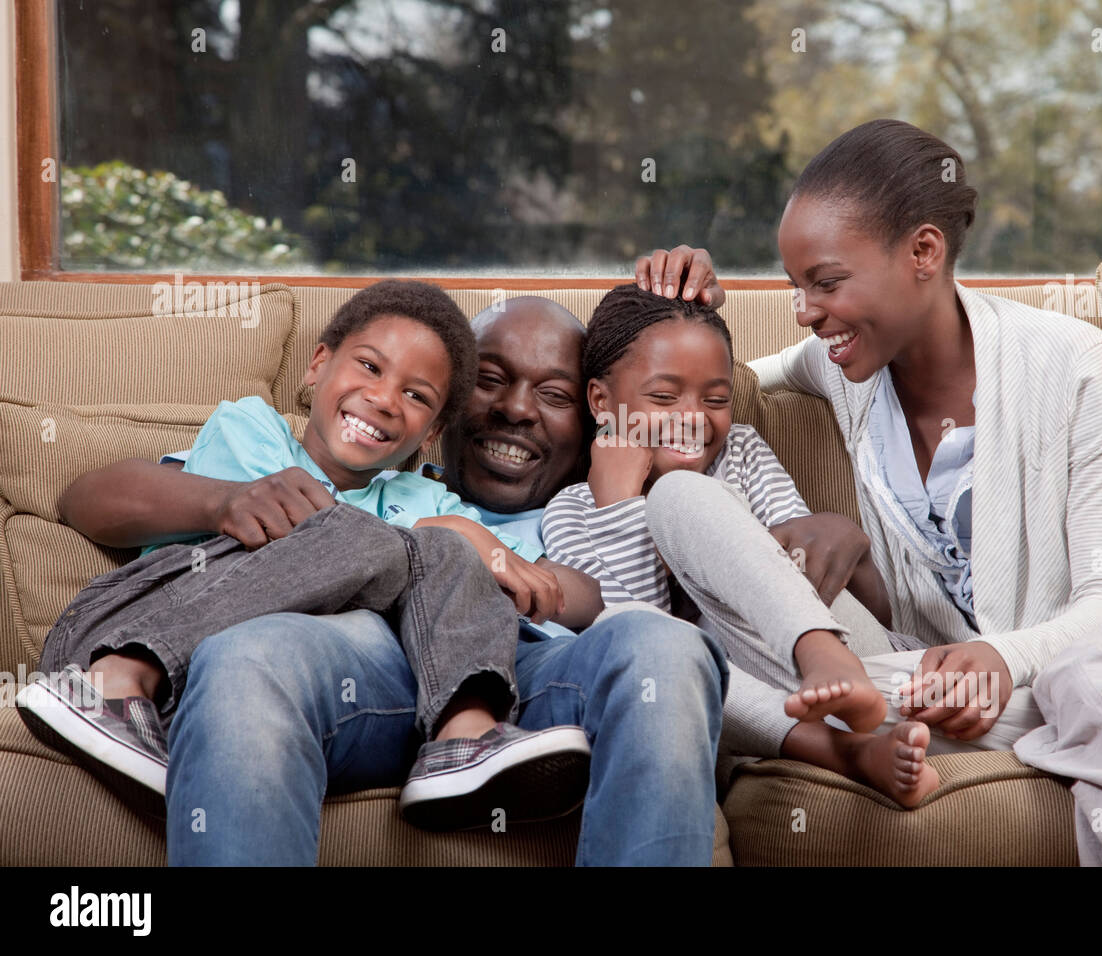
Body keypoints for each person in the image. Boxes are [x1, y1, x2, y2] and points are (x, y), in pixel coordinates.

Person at [635, 119, 1102, 865]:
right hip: (995, 671)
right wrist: (687, 305)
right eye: (796, 287)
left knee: (1099, 676)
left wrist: (998, 658)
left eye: (826, 281)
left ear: (924, 251)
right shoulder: (842, 364)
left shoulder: (1073, 362)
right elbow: (723, 392)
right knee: (724, 651)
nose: (806, 310)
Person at [51, 289, 729, 866]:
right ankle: (118, 677)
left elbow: (589, 593)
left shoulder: (565, 502)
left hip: (507, 680)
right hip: (320, 669)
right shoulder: (265, 449)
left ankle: (466, 735)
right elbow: (93, 498)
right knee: (263, 642)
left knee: (665, 645)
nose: (518, 409)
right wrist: (222, 502)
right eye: (490, 379)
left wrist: (501, 554)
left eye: (552, 394)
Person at [541, 284, 955, 794]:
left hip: (864, 668)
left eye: (716, 399)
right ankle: (850, 751)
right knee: (673, 658)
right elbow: (644, 656)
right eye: (664, 397)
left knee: (681, 496)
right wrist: (621, 508)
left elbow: (803, 580)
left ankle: (826, 661)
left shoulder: (739, 452)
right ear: (601, 400)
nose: (694, 418)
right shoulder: (573, 512)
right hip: (760, 712)